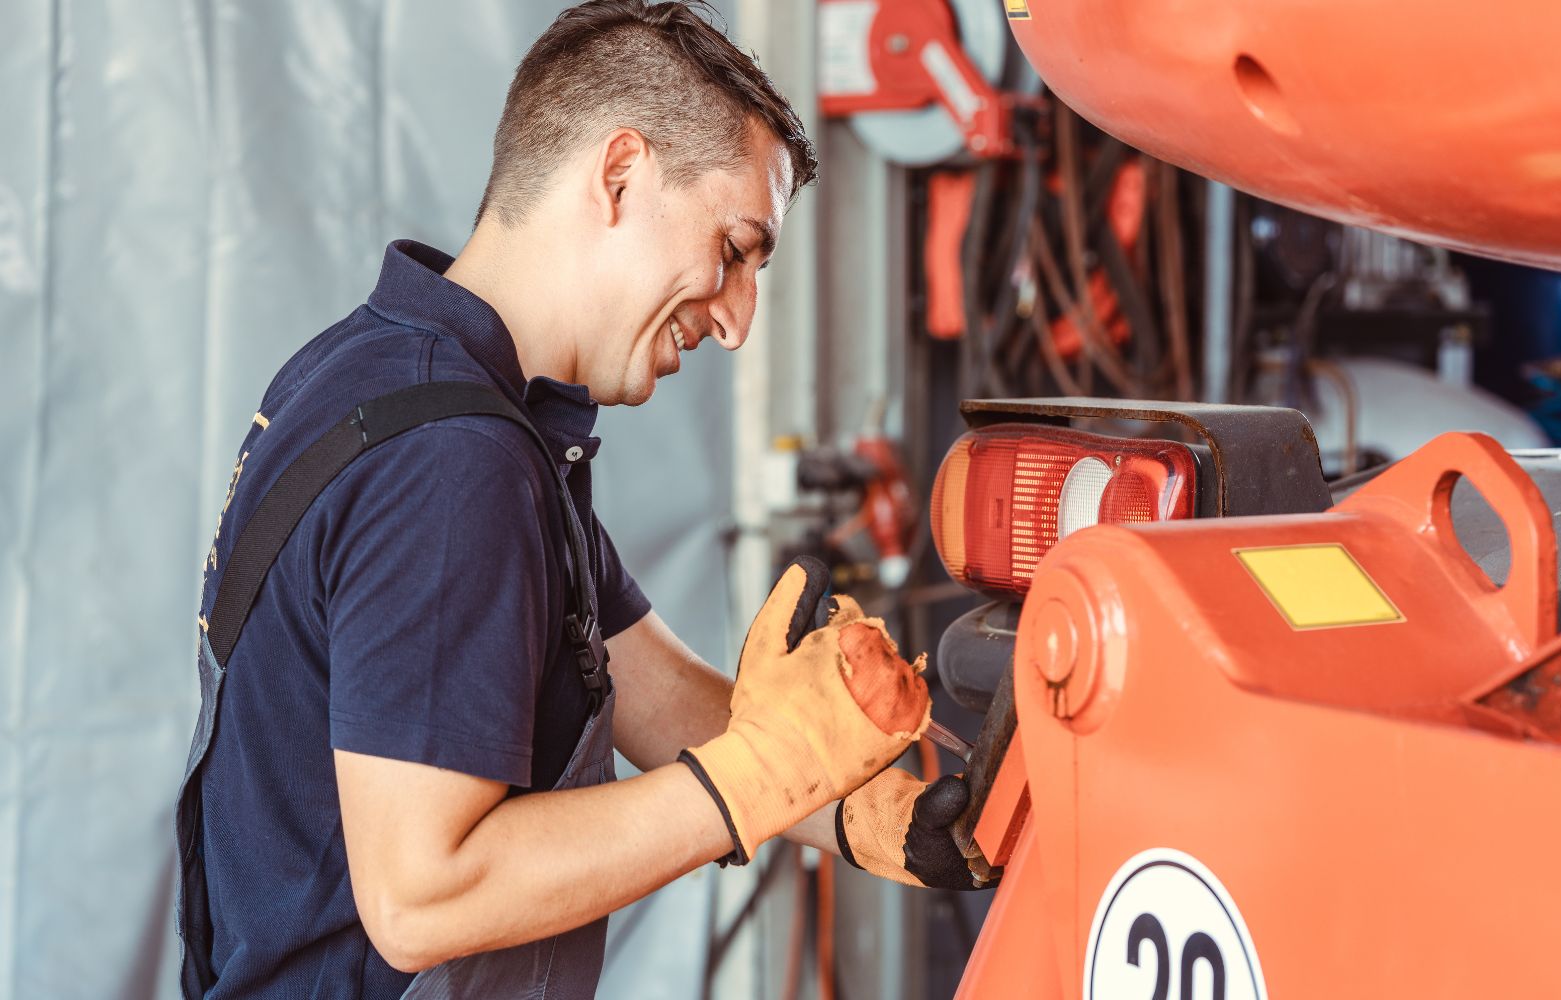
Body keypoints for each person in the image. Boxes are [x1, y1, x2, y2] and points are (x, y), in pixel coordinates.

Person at [175, 3, 989, 998]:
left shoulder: (386, 378)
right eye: (734, 250)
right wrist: (750, 783)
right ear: (617, 176)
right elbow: (425, 896)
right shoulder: (451, 463)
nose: (737, 321)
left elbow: (660, 699)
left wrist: (868, 813)